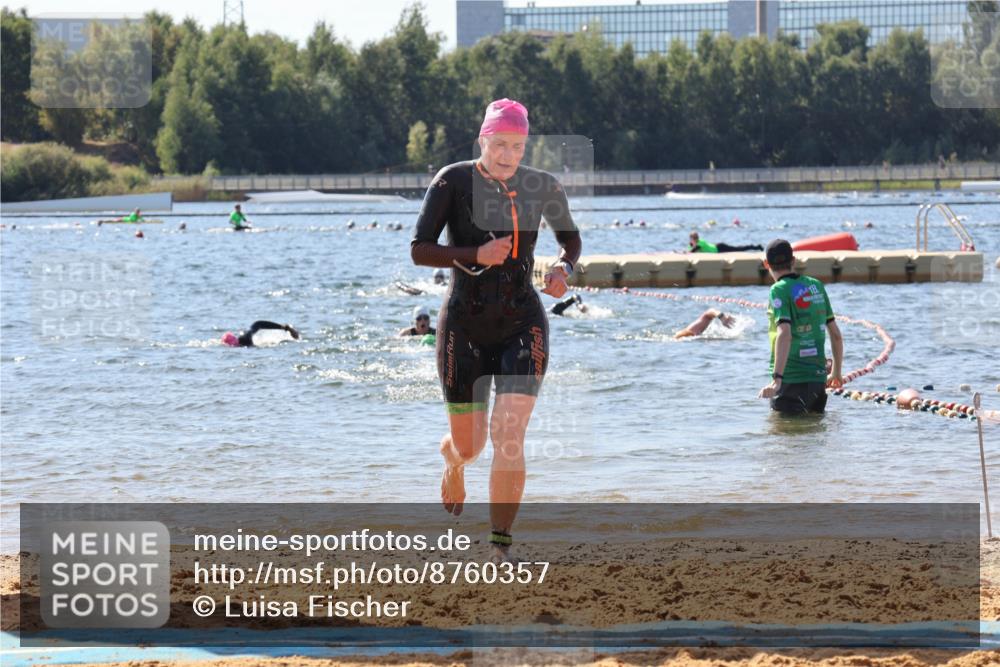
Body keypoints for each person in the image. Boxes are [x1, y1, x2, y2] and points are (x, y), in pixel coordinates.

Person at [411, 98, 582, 560]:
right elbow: (420, 249)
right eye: (500, 144)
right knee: (471, 445)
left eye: (518, 145)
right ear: (483, 140)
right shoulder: (453, 180)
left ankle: (500, 545)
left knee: (509, 435)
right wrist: (474, 255)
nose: (509, 154)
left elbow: (571, 239)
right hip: (463, 324)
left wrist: (565, 268)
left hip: (522, 321)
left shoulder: (542, 185)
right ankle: (453, 464)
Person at [757, 239, 844, 414]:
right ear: (793, 260)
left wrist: (777, 380)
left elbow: (785, 333)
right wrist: (836, 373)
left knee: (782, 437)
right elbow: (836, 335)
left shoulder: (778, 289)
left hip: (790, 380)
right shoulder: (816, 286)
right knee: (813, 435)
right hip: (818, 381)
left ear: (766, 264)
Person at [221, 321, 299, 347]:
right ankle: (285, 328)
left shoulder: (246, 339)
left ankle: (285, 328)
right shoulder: (245, 337)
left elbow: (258, 324)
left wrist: (285, 328)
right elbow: (258, 324)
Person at [688, 231, 763, 253]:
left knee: (737, 249)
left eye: (694, 238)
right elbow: (690, 250)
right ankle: (755, 247)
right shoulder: (692, 244)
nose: (693, 240)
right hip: (717, 247)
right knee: (737, 249)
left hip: (719, 248)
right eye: (692, 239)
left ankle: (755, 247)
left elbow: (693, 251)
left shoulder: (701, 242)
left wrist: (685, 252)